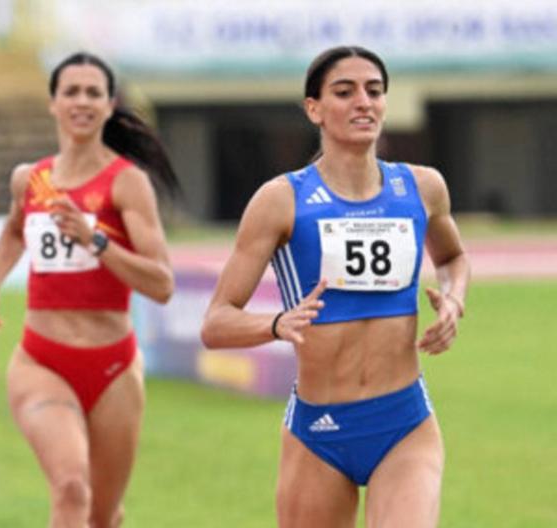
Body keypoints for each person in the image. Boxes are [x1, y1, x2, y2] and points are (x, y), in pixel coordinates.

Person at [200, 46, 470, 528]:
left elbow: (452, 258)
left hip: (404, 423)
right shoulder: (281, 200)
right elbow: (216, 323)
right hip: (319, 432)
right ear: (314, 109)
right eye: (344, 92)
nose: (363, 102)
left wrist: (453, 298)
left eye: (374, 91)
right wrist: (277, 324)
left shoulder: (422, 188)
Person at [0, 52, 179, 527]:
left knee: (103, 516)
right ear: (53, 103)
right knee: (70, 487)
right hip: (41, 360)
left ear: (109, 105)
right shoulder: (32, 179)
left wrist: (95, 241)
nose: (81, 102)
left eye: (93, 93)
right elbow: (14, 230)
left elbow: (162, 283)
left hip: (113, 367)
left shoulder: (127, 184)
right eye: (71, 92)